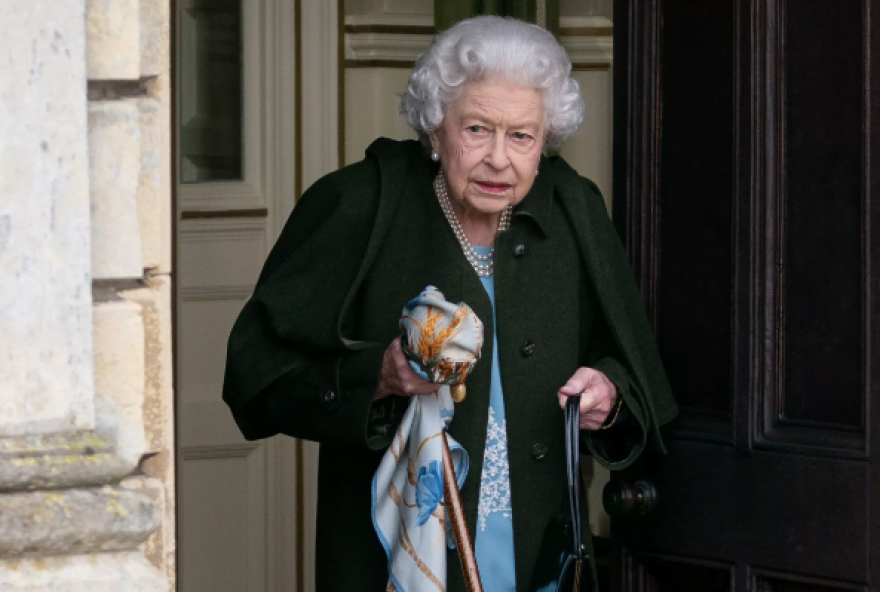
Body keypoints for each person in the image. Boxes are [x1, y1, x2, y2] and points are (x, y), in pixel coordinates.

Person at [222, 15, 677, 592]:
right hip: (392, 565)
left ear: (545, 142)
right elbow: (254, 378)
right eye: (478, 129)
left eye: (521, 136)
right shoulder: (358, 204)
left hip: (540, 560)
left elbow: (630, 374)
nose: (499, 159)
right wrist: (377, 376)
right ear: (436, 129)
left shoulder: (575, 211)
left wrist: (607, 396)